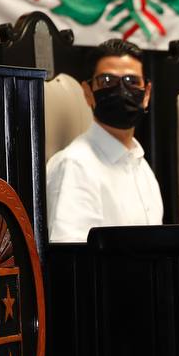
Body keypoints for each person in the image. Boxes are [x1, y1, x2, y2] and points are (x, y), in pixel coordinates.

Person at [46, 39, 164, 242]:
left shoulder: (141, 166)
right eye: (107, 81)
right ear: (88, 92)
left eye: (132, 81)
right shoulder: (76, 165)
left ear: (146, 94)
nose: (121, 90)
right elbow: (72, 256)